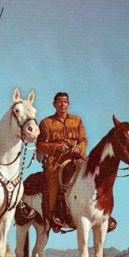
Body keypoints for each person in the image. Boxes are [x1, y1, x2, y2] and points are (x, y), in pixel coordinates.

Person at [36, 92, 87, 232]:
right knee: (53, 177)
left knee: (93, 172)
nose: (62, 104)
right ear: (54, 104)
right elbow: (40, 144)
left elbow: (83, 140)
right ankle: (52, 214)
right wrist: (56, 147)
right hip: (56, 159)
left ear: (68, 104)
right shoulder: (46, 123)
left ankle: (100, 211)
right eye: (59, 102)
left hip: (75, 156)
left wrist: (79, 148)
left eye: (65, 102)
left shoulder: (77, 121)